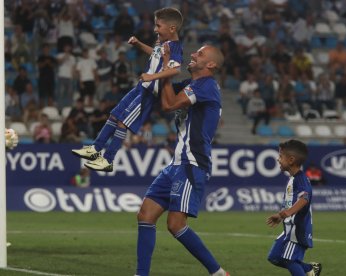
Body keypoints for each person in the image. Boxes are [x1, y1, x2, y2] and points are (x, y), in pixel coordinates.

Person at [134, 44, 229, 276]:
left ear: (211, 65)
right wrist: (160, 63)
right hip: (176, 163)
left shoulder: (207, 86)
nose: (194, 54)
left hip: (192, 164)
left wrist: (167, 70)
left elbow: (169, 104)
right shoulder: (191, 85)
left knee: (175, 225)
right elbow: (160, 93)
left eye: (200, 54)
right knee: (145, 214)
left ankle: (218, 273)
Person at [72, 7, 184, 173]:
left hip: (149, 92)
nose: (155, 29)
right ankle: (95, 149)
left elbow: (176, 70)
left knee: (122, 122)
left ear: (172, 28)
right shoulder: (163, 42)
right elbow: (155, 54)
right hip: (140, 87)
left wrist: (151, 77)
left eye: (158, 26)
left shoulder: (175, 47)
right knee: (114, 114)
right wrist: (138, 44)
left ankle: (108, 160)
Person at [267, 139, 321, 276]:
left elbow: (304, 198)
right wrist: (280, 216)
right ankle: (309, 269)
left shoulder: (301, 179)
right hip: (289, 229)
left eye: (280, 156)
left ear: (291, 160)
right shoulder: (293, 178)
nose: (278, 159)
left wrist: (287, 213)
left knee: (289, 260)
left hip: (297, 230)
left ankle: (308, 270)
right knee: (274, 257)